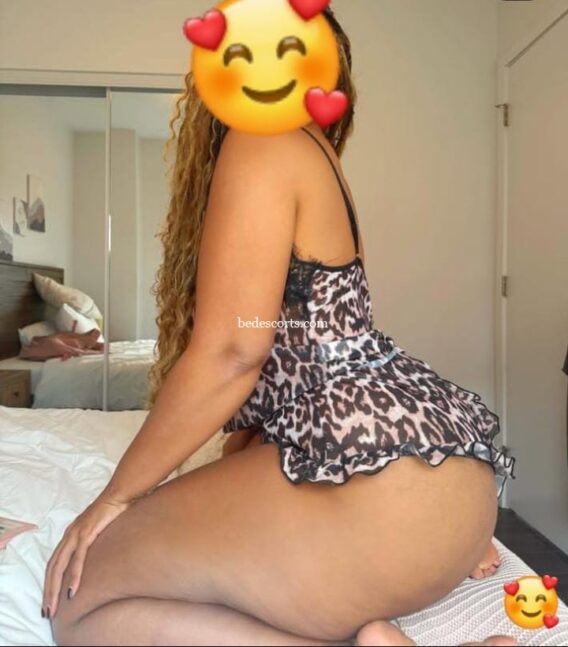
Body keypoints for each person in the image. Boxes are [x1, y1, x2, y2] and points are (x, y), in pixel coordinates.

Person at [44, 7, 515, 646]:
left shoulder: (262, 143)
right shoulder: (320, 159)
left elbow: (235, 353)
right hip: (455, 493)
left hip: (387, 504)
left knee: (76, 603)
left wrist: (114, 498)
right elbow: (300, 368)